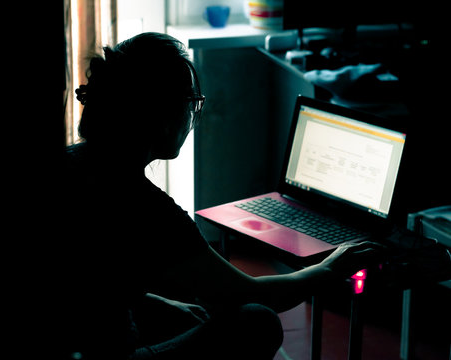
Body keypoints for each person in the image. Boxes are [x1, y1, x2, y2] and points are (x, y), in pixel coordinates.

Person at [64, 32, 382, 360]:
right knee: (258, 322)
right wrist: (330, 268)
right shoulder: (145, 207)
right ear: (162, 118)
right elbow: (251, 295)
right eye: (191, 102)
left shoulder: (72, 164)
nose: (193, 116)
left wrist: (163, 305)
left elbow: (93, 284)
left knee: (190, 312)